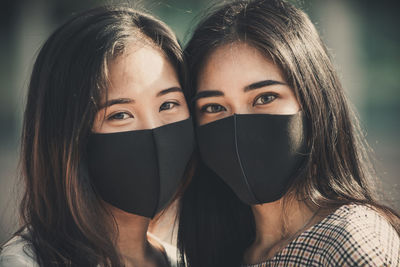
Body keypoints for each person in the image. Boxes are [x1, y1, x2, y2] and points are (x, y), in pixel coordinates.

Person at [177, 0, 400, 266]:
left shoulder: (350, 244)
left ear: (313, 102)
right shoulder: (222, 252)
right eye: (214, 107)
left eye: (265, 97)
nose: (238, 126)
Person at [0, 5, 194, 267]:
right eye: (120, 115)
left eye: (168, 105)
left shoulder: (185, 260)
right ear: (70, 137)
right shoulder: (25, 262)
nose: (153, 131)